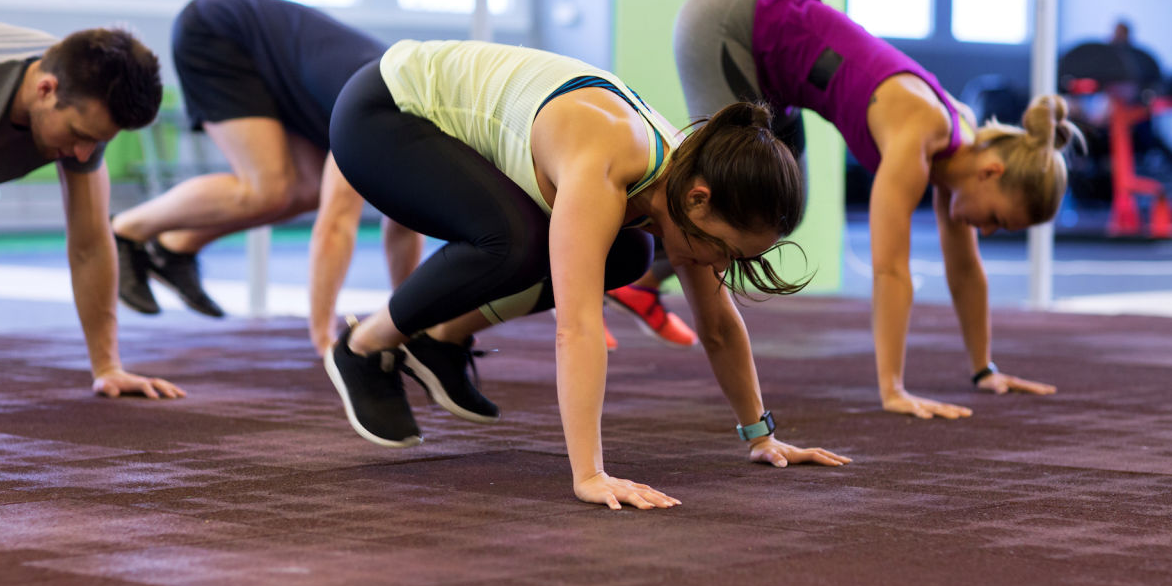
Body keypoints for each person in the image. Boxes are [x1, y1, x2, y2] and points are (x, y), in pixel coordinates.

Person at [324, 39, 851, 510]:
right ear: (698, 200)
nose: (720, 268)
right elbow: (575, 327)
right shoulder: (609, 161)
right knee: (515, 243)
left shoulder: (691, 178)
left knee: (628, 257)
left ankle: (440, 340)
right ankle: (363, 345)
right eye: (724, 252)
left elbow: (717, 323)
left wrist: (761, 435)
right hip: (383, 112)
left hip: (432, 125)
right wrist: (590, 474)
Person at [674, 0, 1082, 420]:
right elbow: (889, 268)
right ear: (991, 171)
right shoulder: (921, 131)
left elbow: (965, 269)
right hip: (729, 26)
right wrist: (894, 389)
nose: (985, 230)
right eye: (997, 219)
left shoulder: (959, 147)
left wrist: (984, 370)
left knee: (780, 212)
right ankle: (625, 260)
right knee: (733, 204)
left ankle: (640, 282)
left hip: (774, 75)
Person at [0, 15, 184, 426]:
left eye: (99, 140)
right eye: (80, 134)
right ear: (45, 90)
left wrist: (108, 367)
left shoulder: (84, 99)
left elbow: (90, 244)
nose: (86, 154)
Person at [110, 0, 420, 352]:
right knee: (268, 189)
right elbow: (335, 227)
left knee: (308, 189)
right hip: (219, 31)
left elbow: (406, 222)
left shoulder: (417, 128)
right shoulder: (383, 114)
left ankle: (174, 248)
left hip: (281, 64)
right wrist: (324, 339)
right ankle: (124, 231)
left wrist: (414, 325)